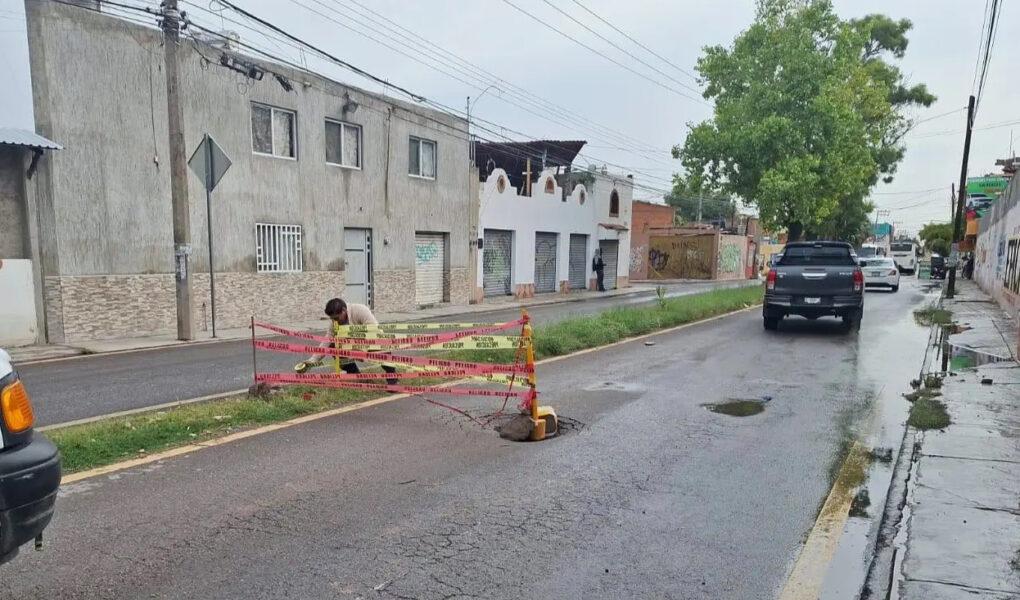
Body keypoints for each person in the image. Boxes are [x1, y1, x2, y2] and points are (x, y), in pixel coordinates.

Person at [294, 298, 398, 385]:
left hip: (372, 340)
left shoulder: (360, 310)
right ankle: (355, 375)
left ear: (344, 310)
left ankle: (392, 377)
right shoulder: (334, 323)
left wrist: (362, 350)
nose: (334, 321)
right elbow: (326, 341)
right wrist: (311, 361)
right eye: (332, 319)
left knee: (382, 345)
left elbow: (374, 331)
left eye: (336, 318)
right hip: (352, 345)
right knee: (333, 345)